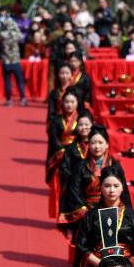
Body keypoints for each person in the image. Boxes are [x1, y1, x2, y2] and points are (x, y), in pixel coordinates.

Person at [60, 125, 127, 230]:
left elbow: (124, 193)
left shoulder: (115, 165)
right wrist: (89, 214)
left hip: (113, 211)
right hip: (87, 214)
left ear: (107, 145)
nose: (97, 146)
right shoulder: (80, 166)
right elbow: (74, 193)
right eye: (93, 143)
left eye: (100, 143)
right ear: (88, 145)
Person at [46, 89, 79, 219]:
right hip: (61, 157)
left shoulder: (82, 119)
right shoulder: (56, 120)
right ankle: (62, 215)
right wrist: (63, 152)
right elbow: (53, 139)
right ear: (62, 103)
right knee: (61, 188)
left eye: (72, 102)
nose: (69, 105)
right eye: (66, 102)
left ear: (77, 103)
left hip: (77, 156)